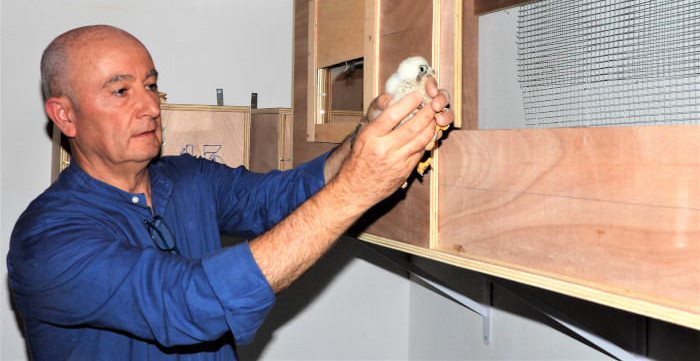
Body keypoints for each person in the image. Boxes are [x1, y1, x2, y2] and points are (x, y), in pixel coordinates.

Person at [7, 25, 453, 360]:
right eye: (121, 91)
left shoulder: (186, 178)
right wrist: (356, 190)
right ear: (64, 115)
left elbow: (281, 197)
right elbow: (190, 303)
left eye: (150, 85)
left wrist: (365, 135)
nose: (149, 106)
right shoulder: (46, 241)